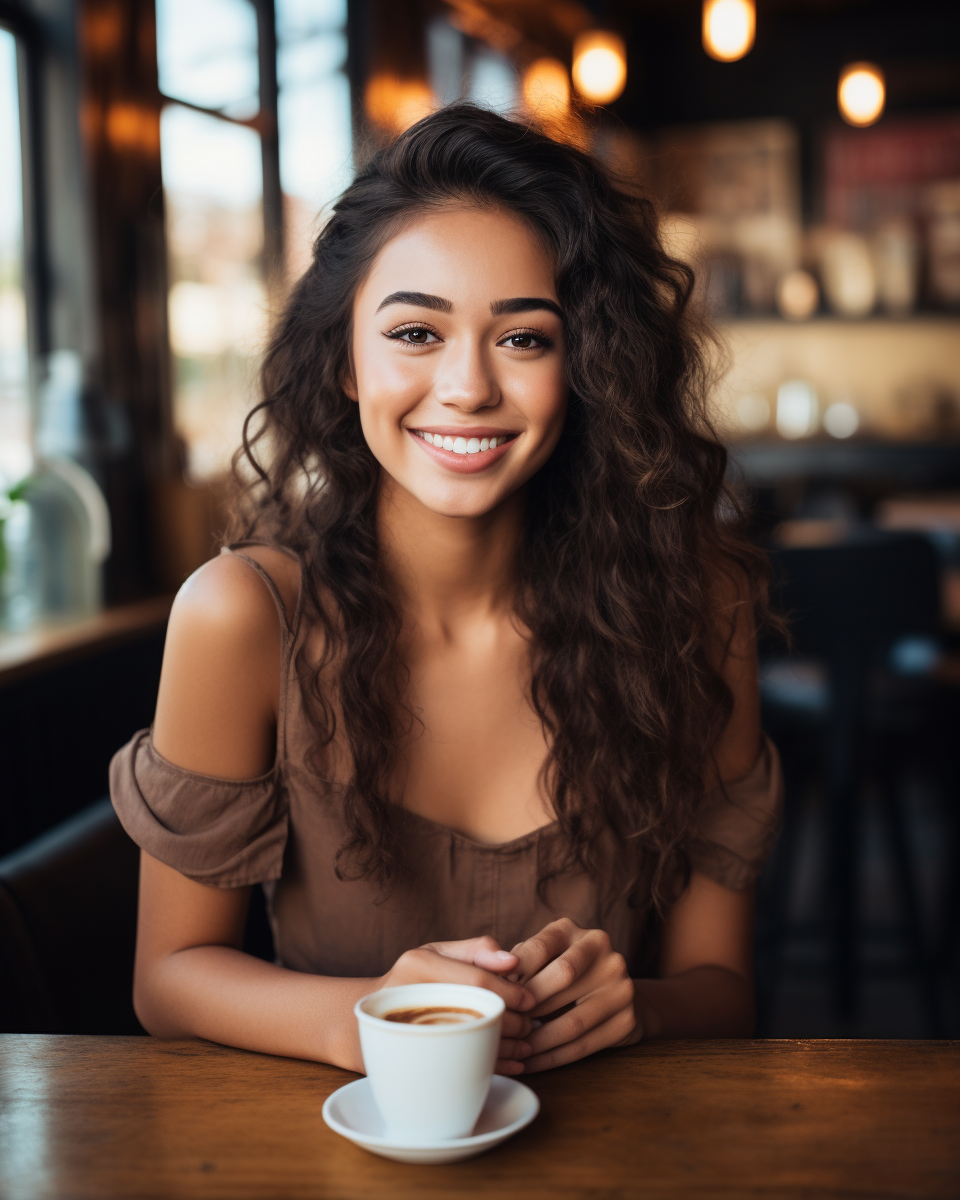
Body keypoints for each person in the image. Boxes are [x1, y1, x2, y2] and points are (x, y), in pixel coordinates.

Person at [111, 104, 782, 1077]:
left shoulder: (695, 607)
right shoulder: (243, 618)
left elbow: (725, 990)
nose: (467, 387)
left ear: (586, 367)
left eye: (524, 340)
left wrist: (639, 1009)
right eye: (417, 332)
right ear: (345, 358)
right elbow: (166, 979)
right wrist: (366, 1016)